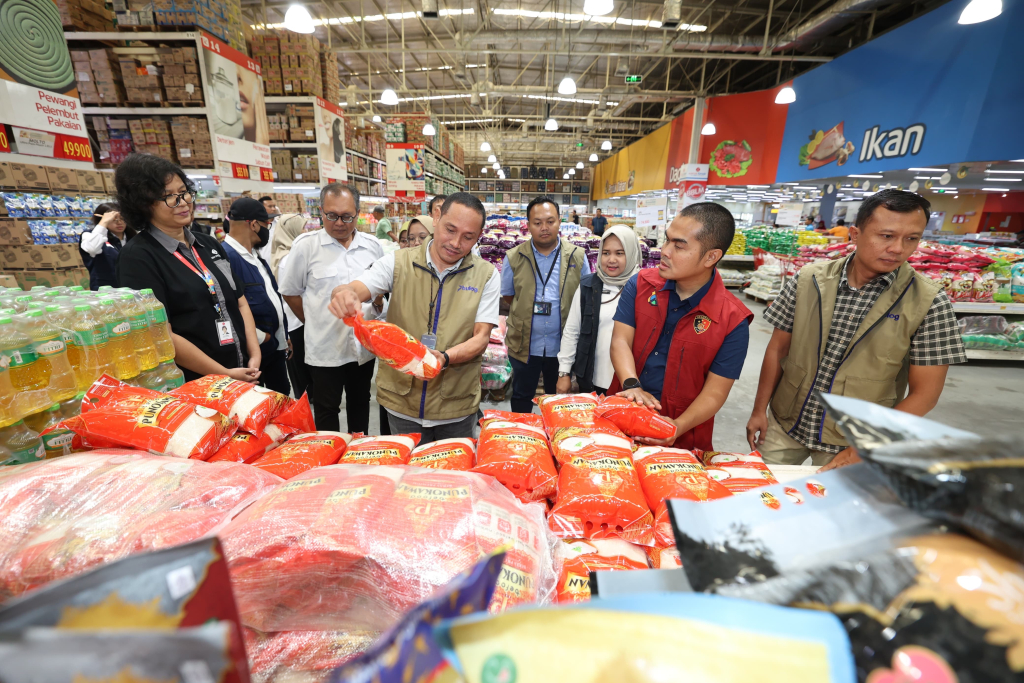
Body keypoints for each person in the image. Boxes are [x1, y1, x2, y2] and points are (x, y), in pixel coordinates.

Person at [746, 189, 967, 470]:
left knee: (837, 511)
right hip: (785, 423)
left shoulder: (929, 302)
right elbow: (778, 348)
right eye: (886, 236)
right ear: (855, 234)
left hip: (852, 442)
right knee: (763, 497)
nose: (899, 248)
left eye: (912, 238)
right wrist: (759, 410)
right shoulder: (809, 280)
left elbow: (925, 394)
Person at [328, 193, 500, 443]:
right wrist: (344, 294)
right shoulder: (398, 263)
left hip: (455, 403)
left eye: (468, 237)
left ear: (479, 235)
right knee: (407, 475)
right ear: (437, 218)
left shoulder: (486, 275)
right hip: (402, 399)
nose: (455, 242)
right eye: (450, 230)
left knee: (452, 476)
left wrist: (445, 358)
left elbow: (481, 337)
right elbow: (357, 287)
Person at [609, 202, 752, 450]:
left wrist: (676, 427)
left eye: (679, 246)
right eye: (666, 240)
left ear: (711, 257)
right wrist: (632, 385)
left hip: (683, 436)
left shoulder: (732, 319)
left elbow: (715, 393)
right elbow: (621, 340)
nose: (664, 251)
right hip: (621, 415)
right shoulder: (641, 284)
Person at [115, 153, 261, 383]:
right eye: (168, 197)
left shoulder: (208, 243)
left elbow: (240, 300)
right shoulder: (138, 257)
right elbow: (161, 333)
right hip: (197, 382)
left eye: (184, 192)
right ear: (143, 204)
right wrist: (224, 374)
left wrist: (254, 355)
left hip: (243, 370)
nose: (182, 202)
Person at [278, 184, 383, 433]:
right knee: (327, 408)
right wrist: (313, 320)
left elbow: (379, 289)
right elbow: (290, 291)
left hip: (362, 347)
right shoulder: (306, 247)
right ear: (321, 213)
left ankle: (358, 453)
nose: (339, 223)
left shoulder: (372, 246)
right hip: (325, 348)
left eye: (347, 216)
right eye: (331, 216)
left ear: (357, 213)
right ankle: (333, 462)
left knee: (361, 403)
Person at [501, 196, 591, 413]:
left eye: (550, 221)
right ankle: (522, 439)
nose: (544, 228)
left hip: (562, 345)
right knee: (521, 396)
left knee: (557, 402)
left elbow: (584, 298)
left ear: (560, 221)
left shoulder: (577, 257)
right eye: (537, 222)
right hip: (525, 344)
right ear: (528, 225)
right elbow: (509, 297)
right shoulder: (514, 257)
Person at [556, 225, 641, 395]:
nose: (611, 260)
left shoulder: (644, 289)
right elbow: (572, 331)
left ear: (632, 253)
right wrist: (564, 372)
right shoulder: (588, 285)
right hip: (591, 380)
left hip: (631, 385)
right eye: (606, 252)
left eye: (619, 253)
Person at [222, 197, 291, 395]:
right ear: (253, 224)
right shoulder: (226, 258)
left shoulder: (254, 256)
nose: (268, 230)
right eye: (266, 225)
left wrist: (282, 335)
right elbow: (229, 310)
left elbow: (270, 296)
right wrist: (263, 337)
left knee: (281, 401)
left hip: (274, 349)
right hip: (253, 355)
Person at [270, 213, 313, 399]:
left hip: (292, 322)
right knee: (305, 381)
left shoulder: (279, 254)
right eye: (302, 228)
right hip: (298, 321)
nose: (306, 232)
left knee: (299, 375)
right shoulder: (289, 259)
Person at [80, 202, 135, 290]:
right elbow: (92, 248)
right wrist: (104, 222)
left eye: (122, 218)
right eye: (114, 219)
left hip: (132, 289)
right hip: (106, 292)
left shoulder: (133, 238)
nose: (119, 222)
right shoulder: (90, 235)